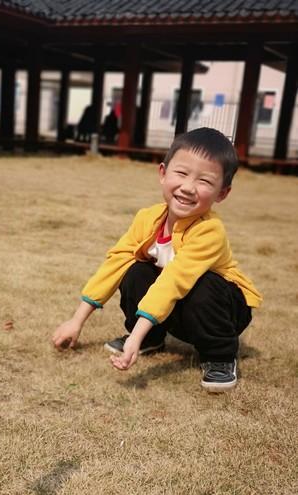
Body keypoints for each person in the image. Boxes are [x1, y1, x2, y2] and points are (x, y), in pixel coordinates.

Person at [52, 127, 262, 392]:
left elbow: (174, 281)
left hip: (223, 309)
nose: (188, 187)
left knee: (204, 284)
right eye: (182, 173)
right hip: (181, 307)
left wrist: (133, 339)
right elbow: (115, 262)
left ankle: (220, 355)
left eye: (205, 181)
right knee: (134, 270)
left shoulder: (209, 231)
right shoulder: (147, 218)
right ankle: (152, 337)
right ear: (163, 173)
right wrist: (76, 320)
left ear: (222, 193)